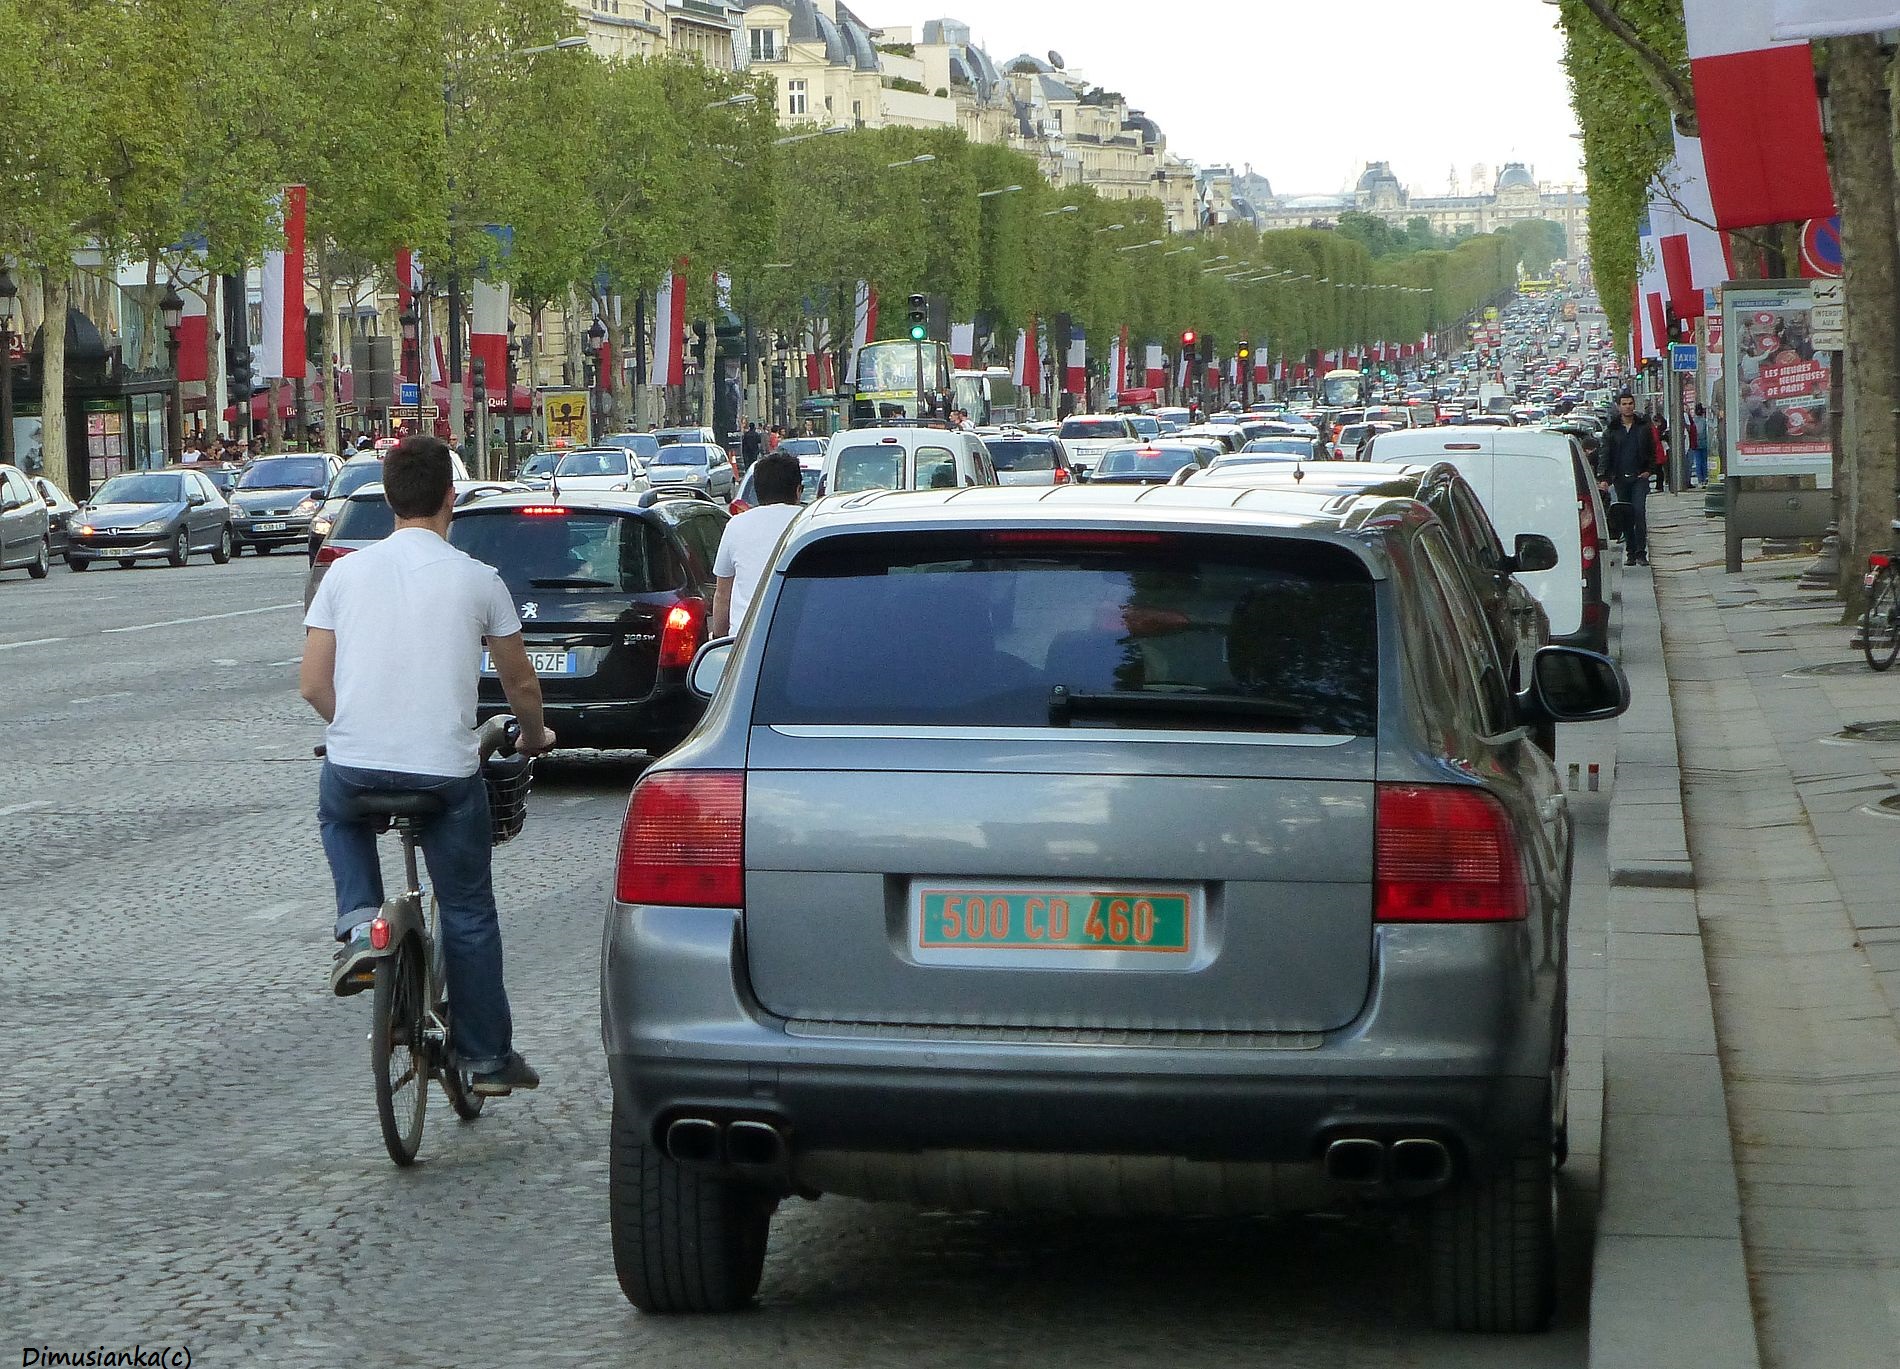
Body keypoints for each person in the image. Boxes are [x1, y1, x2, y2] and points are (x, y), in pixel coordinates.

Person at [299, 436, 556, 1097]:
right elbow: (521, 684)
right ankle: (485, 1056)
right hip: (445, 775)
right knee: (468, 910)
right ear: (452, 497)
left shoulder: (343, 574)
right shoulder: (478, 579)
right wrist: (534, 737)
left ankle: (359, 923)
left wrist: (354, 724)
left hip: (355, 765)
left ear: (387, 498)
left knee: (337, 810)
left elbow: (312, 685)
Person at [710, 452, 803, 638]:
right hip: (799, 637)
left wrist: (719, 639)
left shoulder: (736, 526)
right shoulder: (809, 521)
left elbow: (722, 594)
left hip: (745, 641)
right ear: (798, 490)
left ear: (757, 491)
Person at [1597, 392, 1657, 567]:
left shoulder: (1643, 427)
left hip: (1639, 478)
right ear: (1619, 406)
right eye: (1624, 404)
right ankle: (1631, 552)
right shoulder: (1612, 429)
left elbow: (1652, 452)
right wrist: (1604, 477)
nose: (1628, 406)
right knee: (1626, 515)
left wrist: (1649, 470)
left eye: (1630, 403)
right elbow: (1604, 454)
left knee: (1639, 512)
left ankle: (1641, 552)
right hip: (1620, 479)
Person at [1689, 403, 1708, 488]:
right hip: (1704, 443)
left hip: (1696, 444)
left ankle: (1700, 479)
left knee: (1698, 462)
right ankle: (1705, 478)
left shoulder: (1693, 421)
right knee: (1704, 461)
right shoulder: (1704, 421)